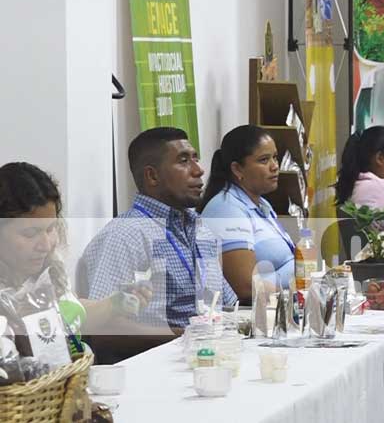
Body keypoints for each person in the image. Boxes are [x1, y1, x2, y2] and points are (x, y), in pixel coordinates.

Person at [82, 127, 236, 359]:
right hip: (153, 369)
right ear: (152, 176)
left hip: (206, 356)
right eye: (184, 161)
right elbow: (104, 331)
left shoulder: (201, 230)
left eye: (196, 158)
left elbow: (226, 304)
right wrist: (185, 336)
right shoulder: (126, 235)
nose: (198, 170)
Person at [0, 162, 151, 354]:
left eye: (50, 228)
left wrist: (115, 304)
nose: (46, 245)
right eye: (30, 233)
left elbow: (73, 313)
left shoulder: (49, 268)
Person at [199, 125, 295, 304]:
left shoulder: (260, 203)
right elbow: (245, 286)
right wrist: (298, 289)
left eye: (275, 157)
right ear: (237, 169)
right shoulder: (226, 209)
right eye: (264, 160)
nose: (275, 166)